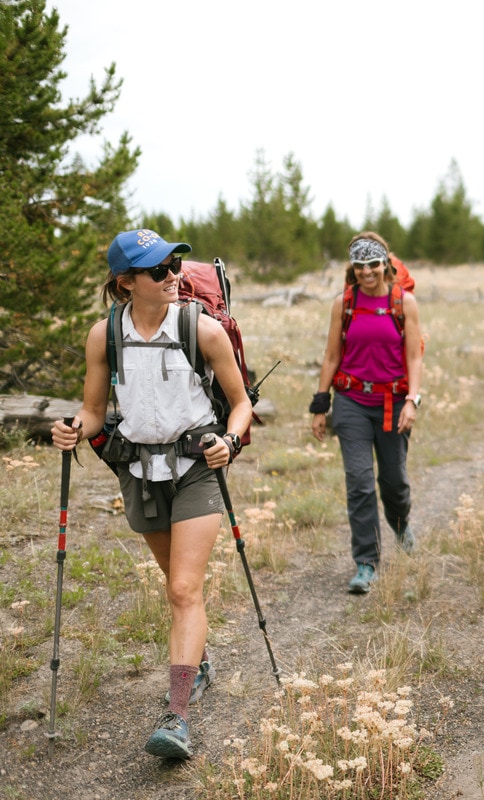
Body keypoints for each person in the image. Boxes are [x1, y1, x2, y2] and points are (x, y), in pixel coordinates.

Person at [50, 229, 252, 760]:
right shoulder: (104, 336)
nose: (173, 276)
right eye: (159, 270)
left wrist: (229, 441)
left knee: (185, 589)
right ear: (126, 282)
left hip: (194, 468)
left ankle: (178, 714)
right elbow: (94, 410)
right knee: (176, 586)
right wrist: (74, 425)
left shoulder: (202, 329)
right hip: (138, 471)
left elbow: (240, 402)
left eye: (174, 266)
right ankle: (199, 661)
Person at [310, 232, 423, 594]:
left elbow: (414, 357)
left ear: (385, 265)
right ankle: (365, 563)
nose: (366, 272)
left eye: (372, 264)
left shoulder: (403, 303)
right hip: (351, 402)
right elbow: (331, 356)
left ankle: (402, 524)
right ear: (353, 268)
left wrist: (412, 400)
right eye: (359, 266)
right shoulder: (343, 304)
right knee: (359, 483)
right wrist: (320, 403)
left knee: (394, 483)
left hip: (392, 404)